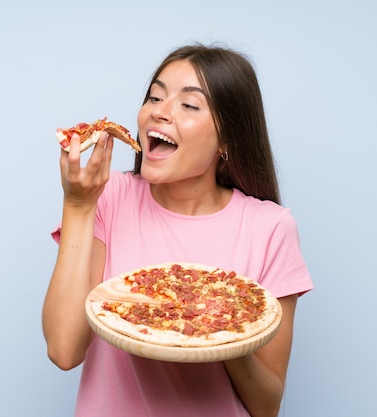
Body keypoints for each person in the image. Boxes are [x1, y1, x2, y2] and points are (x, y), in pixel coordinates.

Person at [42, 43, 313, 417]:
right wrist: (77, 204)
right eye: (155, 96)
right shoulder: (109, 197)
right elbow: (63, 350)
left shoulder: (269, 227)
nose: (159, 112)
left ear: (229, 140)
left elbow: (266, 405)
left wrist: (222, 323)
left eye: (189, 105)